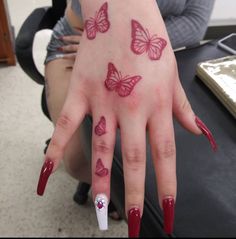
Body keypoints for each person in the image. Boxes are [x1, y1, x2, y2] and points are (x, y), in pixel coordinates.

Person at [36, 0, 216, 237]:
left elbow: (194, 22)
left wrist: (134, 39)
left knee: (149, 154)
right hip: (73, 43)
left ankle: (121, 193)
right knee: (78, 160)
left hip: (151, 60)